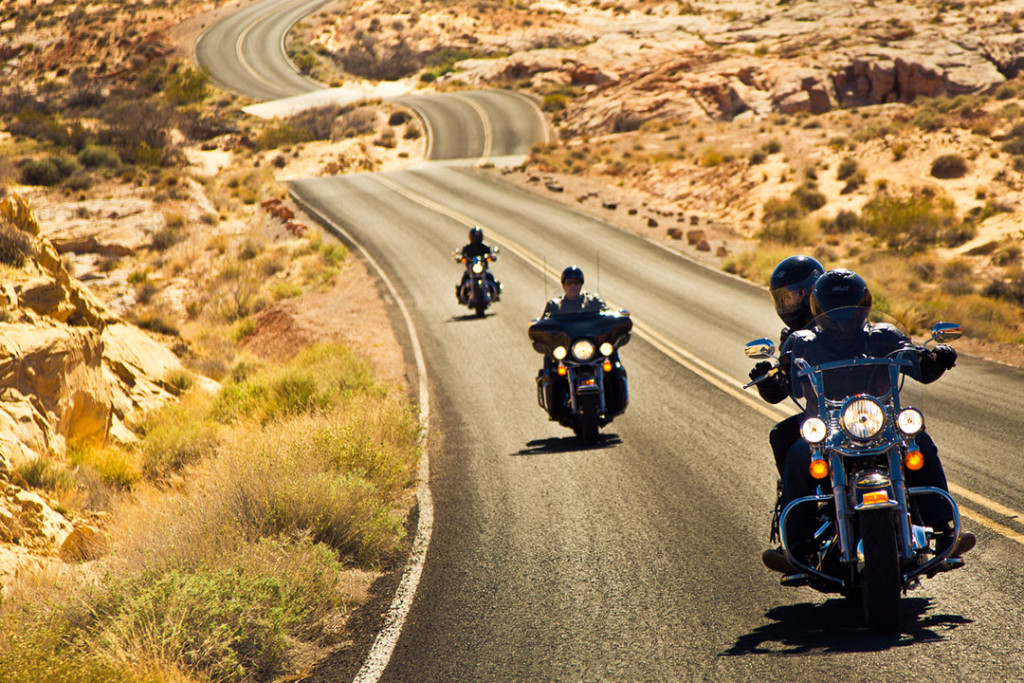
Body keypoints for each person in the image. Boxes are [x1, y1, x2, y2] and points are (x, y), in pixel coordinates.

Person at [763, 269, 974, 573]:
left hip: (880, 419)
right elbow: (781, 377)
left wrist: (936, 357)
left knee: (920, 442)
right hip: (830, 424)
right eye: (836, 308)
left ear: (865, 304)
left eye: (852, 305)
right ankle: (797, 546)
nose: (844, 315)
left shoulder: (884, 335)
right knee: (798, 453)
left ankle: (944, 532)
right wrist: (769, 377)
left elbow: (920, 367)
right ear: (819, 308)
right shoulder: (802, 341)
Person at [749, 255, 824, 475]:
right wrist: (770, 381)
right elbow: (787, 388)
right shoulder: (793, 339)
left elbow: (884, 344)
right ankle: (790, 506)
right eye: (781, 300)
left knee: (918, 439)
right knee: (781, 436)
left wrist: (924, 357)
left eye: (790, 297)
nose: (785, 305)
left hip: (871, 413)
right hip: (821, 419)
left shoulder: (853, 322)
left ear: (809, 293)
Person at [541, 265, 607, 318]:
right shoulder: (554, 306)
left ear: (581, 285)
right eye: (569, 283)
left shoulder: (593, 301)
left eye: (576, 283)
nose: (573, 286)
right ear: (563, 285)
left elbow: (608, 317)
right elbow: (541, 327)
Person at [455, 226, 500, 303]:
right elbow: (462, 255)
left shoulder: (485, 247)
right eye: (475, 236)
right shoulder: (467, 248)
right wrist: (460, 258)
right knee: (464, 278)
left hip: (483, 270)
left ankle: (495, 294)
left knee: (491, 277)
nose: (476, 238)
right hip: (471, 271)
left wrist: (492, 257)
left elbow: (490, 254)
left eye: (478, 236)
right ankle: (461, 296)